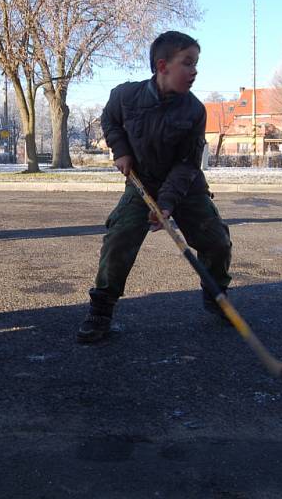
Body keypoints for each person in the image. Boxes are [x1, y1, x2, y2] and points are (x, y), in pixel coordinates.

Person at [77, 31, 233, 344]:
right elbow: (110, 119)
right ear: (162, 65)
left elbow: (188, 163)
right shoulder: (126, 96)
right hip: (142, 180)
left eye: (196, 64)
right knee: (119, 238)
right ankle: (101, 310)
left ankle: (215, 296)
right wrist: (120, 150)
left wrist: (166, 205)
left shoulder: (194, 111)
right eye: (187, 63)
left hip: (185, 186)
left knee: (216, 240)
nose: (194, 71)